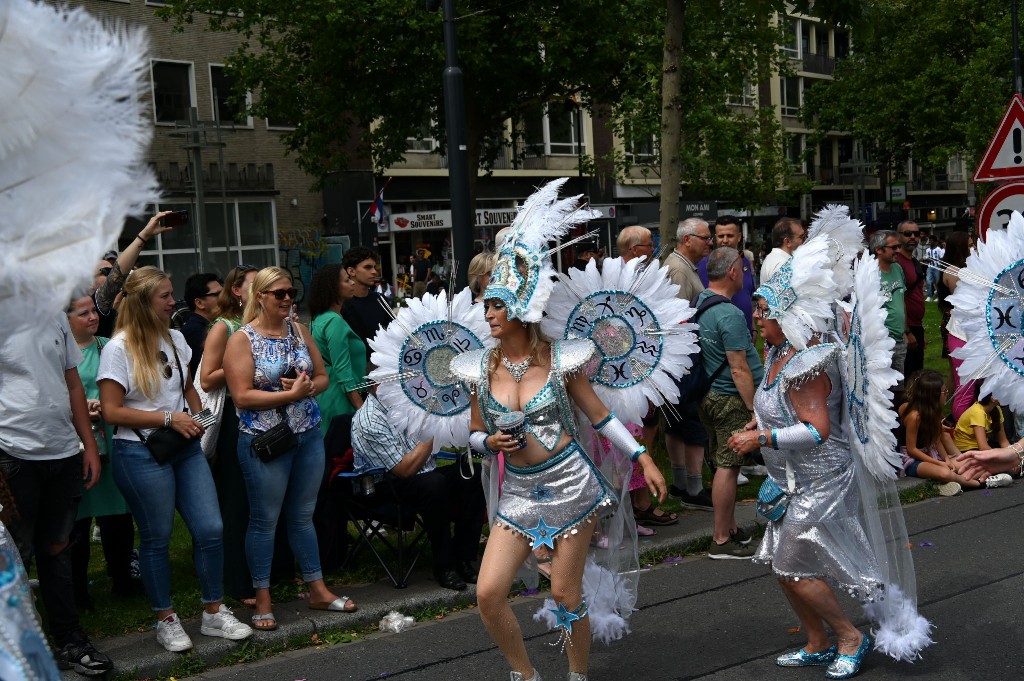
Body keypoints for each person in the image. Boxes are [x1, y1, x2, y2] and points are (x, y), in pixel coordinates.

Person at [454, 179, 667, 681]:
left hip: (572, 484)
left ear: (521, 310)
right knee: (488, 594)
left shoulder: (559, 361)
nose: (487, 316)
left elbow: (601, 417)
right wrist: (491, 442)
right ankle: (524, 674)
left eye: (496, 306)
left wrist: (643, 457)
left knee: (564, 594)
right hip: (521, 491)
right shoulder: (477, 368)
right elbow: (473, 433)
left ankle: (576, 675)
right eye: (485, 307)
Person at [728, 210, 932, 677]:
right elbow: (775, 408)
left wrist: (761, 437)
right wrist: (758, 426)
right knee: (785, 566)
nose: (758, 317)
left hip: (822, 475)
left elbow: (818, 429)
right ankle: (818, 639)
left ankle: (848, 636)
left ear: (790, 315)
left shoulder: (808, 364)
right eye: (758, 309)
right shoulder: (780, 352)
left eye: (765, 311)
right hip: (790, 477)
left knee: (795, 564)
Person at [97, 266, 252, 653]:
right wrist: (169, 418)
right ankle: (165, 617)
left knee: (211, 529)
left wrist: (198, 418)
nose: (173, 301)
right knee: (156, 537)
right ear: (144, 303)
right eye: (164, 296)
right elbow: (113, 412)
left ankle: (213, 611)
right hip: (138, 451)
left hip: (183, 447)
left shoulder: (177, 338)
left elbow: (186, 387)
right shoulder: (118, 348)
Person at [224, 267, 357, 632]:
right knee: (265, 520)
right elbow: (241, 396)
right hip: (265, 440)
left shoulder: (298, 330)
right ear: (261, 296)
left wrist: (307, 388)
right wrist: (288, 394)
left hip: (307, 433)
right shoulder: (242, 339)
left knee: (303, 515)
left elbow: (322, 375)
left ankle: (317, 588)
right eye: (279, 293)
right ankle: (262, 598)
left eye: (290, 292)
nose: (287, 299)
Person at [0, 310, 113, 676]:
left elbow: (73, 383)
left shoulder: (53, 314)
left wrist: (88, 446)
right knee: (14, 559)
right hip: (11, 453)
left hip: (63, 452)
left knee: (58, 551)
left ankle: (69, 640)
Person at [351, 392, 486, 590]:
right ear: (377, 383)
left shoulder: (408, 404)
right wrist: (434, 430)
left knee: (473, 475)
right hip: (386, 484)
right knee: (433, 484)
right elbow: (404, 470)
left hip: (423, 473)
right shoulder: (368, 419)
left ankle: (463, 557)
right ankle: (444, 566)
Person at [66, 295, 139, 611]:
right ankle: (77, 592)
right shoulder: (60, 354)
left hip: (113, 438)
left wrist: (108, 405)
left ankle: (122, 579)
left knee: (119, 518)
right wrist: (81, 410)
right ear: (65, 320)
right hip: (76, 446)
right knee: (76, 525)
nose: (92, 317)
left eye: (93, 311)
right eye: (83, 313)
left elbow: (130, 385)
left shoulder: (108, 346)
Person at [199, 264, 265, 604]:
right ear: (236, 291)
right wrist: (244, 358)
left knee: (262, 503)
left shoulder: (266, 324)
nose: (262, 289)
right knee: (236, 503)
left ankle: (267, 576)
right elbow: (207, 378)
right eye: (255, 284)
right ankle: (237, 583)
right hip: (230, 421)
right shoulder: (223, 327)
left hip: (263, 417)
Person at [695, 248, 763, 559]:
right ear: (733, 271)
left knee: (725, 464)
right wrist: (753, 408)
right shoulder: (730, 314)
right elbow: (739, 367)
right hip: (730, 399)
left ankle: (731, 526)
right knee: (728, 465)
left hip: (709, 396)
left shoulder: (701, 303)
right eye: (744, 269)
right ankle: (721, 539)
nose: (746, 274)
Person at [663, 217, 714, 510]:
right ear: (687, 240)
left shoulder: (680, 265)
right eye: (705, 238)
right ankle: (693, 489)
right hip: (682, 359)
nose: (710, 243)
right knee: (689, 420)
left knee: (677, 421)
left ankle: (682, 484)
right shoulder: (679, 270)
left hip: (678, 359)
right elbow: (679, 319)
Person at [897, 370, 981, 496]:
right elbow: (912, 449)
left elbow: (936, 440)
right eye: (944, 391)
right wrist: (939, 463)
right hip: (912, 459)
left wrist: (946, 459)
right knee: (945, 472)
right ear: (934, 395)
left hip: (931, 453)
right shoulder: (914, 416)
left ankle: (949, 483)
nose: (947, 394)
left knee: (972, 462)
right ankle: (980, 483)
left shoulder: (933, 411)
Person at [92, 212, 175, 338]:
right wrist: (144, 236)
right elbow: (118, 274)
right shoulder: (95, 308)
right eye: (106, 272)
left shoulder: (173, 336)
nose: (114, 277)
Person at [309, 264, 365, 434]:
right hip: (340, 401)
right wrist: (361, 409)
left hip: (326, 395)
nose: (353, 283)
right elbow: (343, 371)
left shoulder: (318, 319)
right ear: (333, 287)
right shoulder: (334, 322)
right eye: (347, 280)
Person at [698, 215, 756, 335]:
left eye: (729, 236)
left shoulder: (744, 262)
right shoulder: (706, 265)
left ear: (739, 237)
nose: (725, 240)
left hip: (747, 335)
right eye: (720, 236)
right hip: (723, 335)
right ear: (715, 238)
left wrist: (753, 328)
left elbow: (748, 297)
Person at [938, 232, 973, 418]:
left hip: (962, 327)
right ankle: (962, 432)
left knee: (962, 381)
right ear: (962, 247)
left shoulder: (963, 268)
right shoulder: (954, 271)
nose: (974, 248)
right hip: (960, 329)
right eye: (971, 244)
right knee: (965, 386)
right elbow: (965, 300)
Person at [870, 230, 907, 403]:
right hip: (881, 342)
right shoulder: (869, 273)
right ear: (879, 250)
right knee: (882, 391)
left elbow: (901, 300)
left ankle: (898, 427)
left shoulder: (898, 268)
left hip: (900, 338)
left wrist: (906, 331)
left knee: (899, 387)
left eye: (899, 246)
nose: (898, 250)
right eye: (894, 247)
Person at [341, 246, 392, 364]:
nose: (374, 271)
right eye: (368, 267)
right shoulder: (341, 304)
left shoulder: (381, 300)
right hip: (355, 372)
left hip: (383, 369)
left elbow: (394, 335)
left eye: (374, 267)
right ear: (351, 271)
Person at [895, 221, 926, 385]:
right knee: (908, 379)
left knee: (917, 376)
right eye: (908, 234)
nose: (913, 237)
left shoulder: (914, 261)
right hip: (906, 330)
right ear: (899, 236)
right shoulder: (897, 263)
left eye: (916, 233)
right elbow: (897, 299)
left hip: (916, 327)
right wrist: (906, 331)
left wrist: (920, 331)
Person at [180, 272, 223, 378]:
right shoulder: (194, 331)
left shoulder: (214, 324)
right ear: (199, 303)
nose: (223, 298)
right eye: (217, 295)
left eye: (223, 293)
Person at [760, 217, 806, 283]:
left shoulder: (776, 259)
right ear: (787, 242)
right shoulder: (782, 265)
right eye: (802, 237)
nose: (805, 240)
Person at [924, 235, 943, 301]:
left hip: (937, 267)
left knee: (937, 282)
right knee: (928, 281)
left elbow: (941, 258)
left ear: (935, 242)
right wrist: (927, 259)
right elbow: (926, 257)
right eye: (929, 240)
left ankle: (938, 297)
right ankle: (930, 296)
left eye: (931, 240)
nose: (930, 242)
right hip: (930, 267)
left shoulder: (938, 249)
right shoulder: (927, 250)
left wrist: (936, 261)